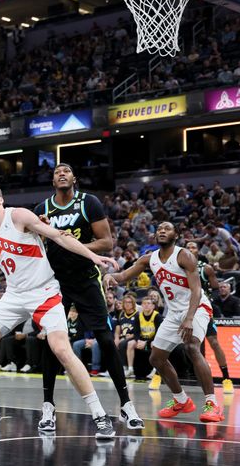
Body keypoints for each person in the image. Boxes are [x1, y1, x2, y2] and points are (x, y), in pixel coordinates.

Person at [0, 179, 119, 439]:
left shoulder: (20, 215)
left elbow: (59, 236)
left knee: (61, 350)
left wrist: (93, 256)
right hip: (13, 295)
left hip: (44, 291)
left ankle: (99, 415)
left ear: (1, 199)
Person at [34, 163, 144, 431]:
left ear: (74, 178)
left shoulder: (89, 202)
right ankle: (48, 407)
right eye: (57, 171)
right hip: (54, 283)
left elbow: (106, 242)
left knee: (106, 339)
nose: (62, 173)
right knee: (52, 342)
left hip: (85, 280)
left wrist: (71, 244)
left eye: (67, 171)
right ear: (52, 181)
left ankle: (126, 406)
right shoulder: (42, 209)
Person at [104, 222, 224, 423]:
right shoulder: (149, 259)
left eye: (167, 228)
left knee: (192, 347)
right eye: (158, 228)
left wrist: (189, 318)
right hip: (174, 312)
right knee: (156, 358)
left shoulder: (184, 255)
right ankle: (181, 400)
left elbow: (196, 290)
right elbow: (123, 276)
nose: (161, 230)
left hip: (197, 307)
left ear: (176, 234)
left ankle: (212, 404)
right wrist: (109, 275)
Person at [177, 242, 234, 394]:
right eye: (187, 247)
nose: (190, 249)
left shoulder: (205, 268)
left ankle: (226, 378)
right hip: (182, 308)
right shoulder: (176, 268)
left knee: (214, 342)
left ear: (198, 251)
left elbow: (215, 288)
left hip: (201, 309)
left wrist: (207, 297)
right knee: (169, 343)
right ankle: (158, 376)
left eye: (193, 247)